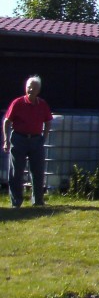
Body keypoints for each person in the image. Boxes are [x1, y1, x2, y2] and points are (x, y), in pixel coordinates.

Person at [4, 75, 53, 208]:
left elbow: (48, 121)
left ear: (38, 90)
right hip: (19, 139)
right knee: (16, 172)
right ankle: (16, 203)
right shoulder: (18, 103)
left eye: (33, 88)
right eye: (28, 87)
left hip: (36, 140)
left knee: (38, 171)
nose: (30, 90)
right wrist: (6, 140)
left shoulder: (42, 104)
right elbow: (7, 122)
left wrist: (45, 136)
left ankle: (38, 201)